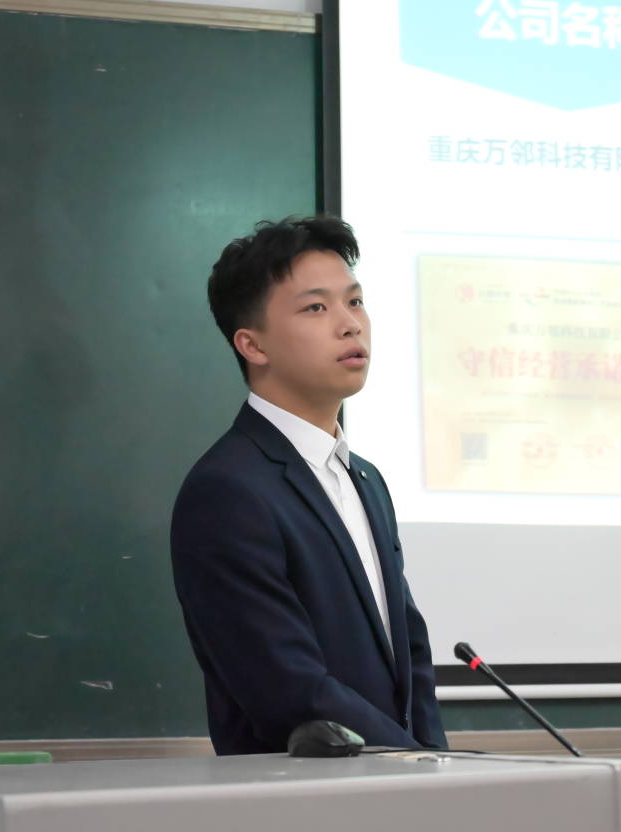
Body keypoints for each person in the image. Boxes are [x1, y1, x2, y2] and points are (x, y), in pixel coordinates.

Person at [171, 215, 447, 755]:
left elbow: (410, 656)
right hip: (301, 795)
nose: (350, 325)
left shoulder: (366, 479)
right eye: (316, 308)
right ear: (252, 345)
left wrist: (440, 767)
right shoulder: (228, 491)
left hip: (401, 789)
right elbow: (289, 689)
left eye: (355, 301)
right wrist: (416, 763)